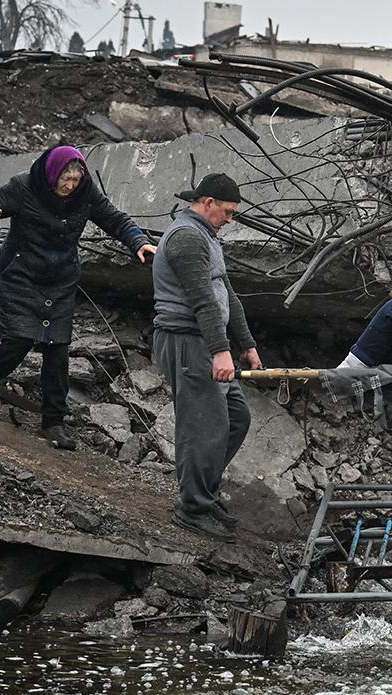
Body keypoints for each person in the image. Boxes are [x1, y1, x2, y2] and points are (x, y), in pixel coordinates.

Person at [0, 145, 156, 449]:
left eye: (76, 180)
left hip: (60, 281)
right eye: (65, 179)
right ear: (52, 174)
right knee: (19, 339)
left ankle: (53, 422)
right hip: (21, 273)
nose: (70, 186)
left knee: (58, 349)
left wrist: (138, 242)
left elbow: (115, 220)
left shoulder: (85, 194)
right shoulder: (23, 186)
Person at [151, 172, 261, 541]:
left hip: (202, 342)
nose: (230, 220)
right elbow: (202, 301)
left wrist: (246, 343)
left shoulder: (207, 236)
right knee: (203, 427)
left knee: (235, 418)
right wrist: (221, 351)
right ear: (208, 203)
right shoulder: (185, 238)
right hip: (187, 342)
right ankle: (192, 507)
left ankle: (203, 492)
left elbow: (226, 294)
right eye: (227, 212)